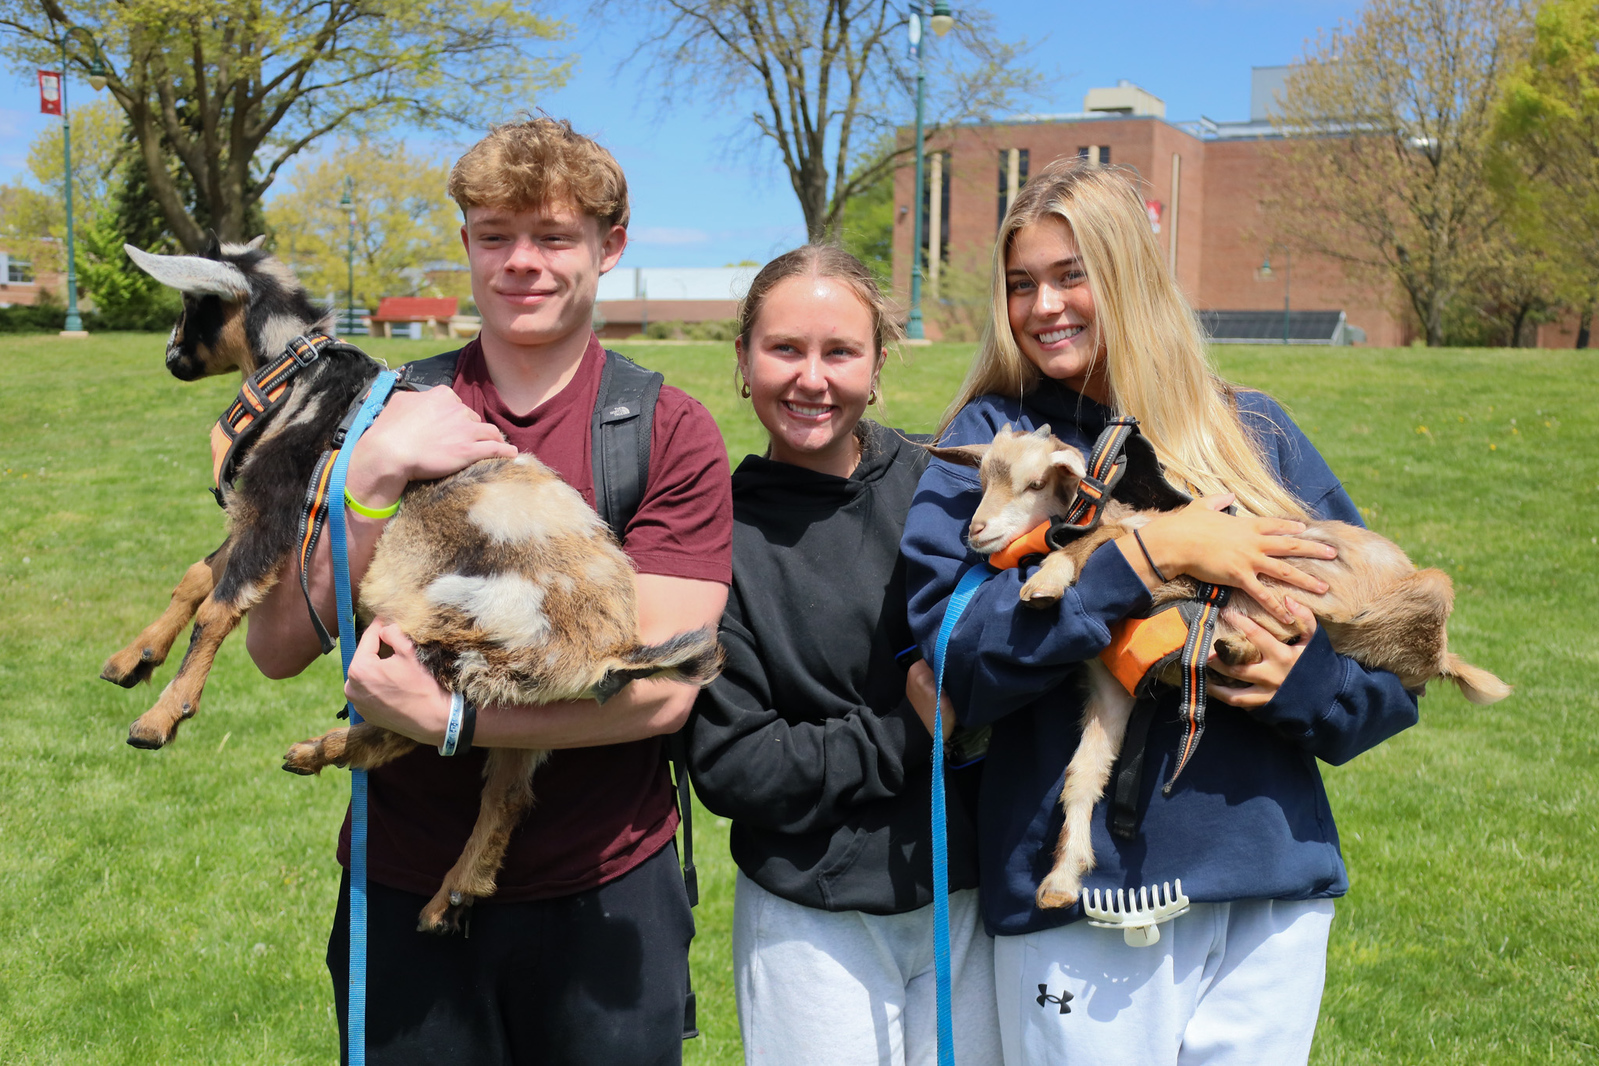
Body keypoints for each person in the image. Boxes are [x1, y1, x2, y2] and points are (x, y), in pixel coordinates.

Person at [901, 158, 1420, 1065]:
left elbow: (1392, 674)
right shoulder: (989, 444)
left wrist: (1302, 684)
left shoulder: (1251, 433)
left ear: (1129, 277)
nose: (1042, 306)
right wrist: (1150, 556)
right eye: (1020, 284)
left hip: (1267, 888)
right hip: (1082, 896)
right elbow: (959, 665)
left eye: (1071, 276)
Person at [245, 118, 733, 1065]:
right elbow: (277, 646)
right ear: (465, 242)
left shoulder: (664, 428)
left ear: (609, 247)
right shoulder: (377, 410)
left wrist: (448, 722)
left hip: (606, 888)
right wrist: (368, 479)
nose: (522, 263)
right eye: (495, 235)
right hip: (400, 874)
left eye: (553, 237)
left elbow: (662, 691)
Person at [687, 246, 1003, 1066]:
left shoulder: (948, 487)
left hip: (968, 901)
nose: (811, 379)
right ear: (742, 359)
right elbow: (734, 765)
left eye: (840, 352)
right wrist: (906, 730)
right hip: (811, 917)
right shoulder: (712, 534)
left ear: (878, 362)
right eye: (784, 349)